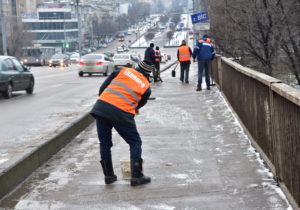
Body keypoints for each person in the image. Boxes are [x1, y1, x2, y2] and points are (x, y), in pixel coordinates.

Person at [90, 60, 154, 186]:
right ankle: (136, 176)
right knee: (135, 142)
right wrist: (131, 110)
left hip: (101, 108)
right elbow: (138, 104)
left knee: (105, 143)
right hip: (121, 112)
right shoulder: (146, 86)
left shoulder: (122, 71)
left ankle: (109, 176)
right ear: (148, 73)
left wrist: (105, 102)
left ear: (137, 67)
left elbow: (102, 88)